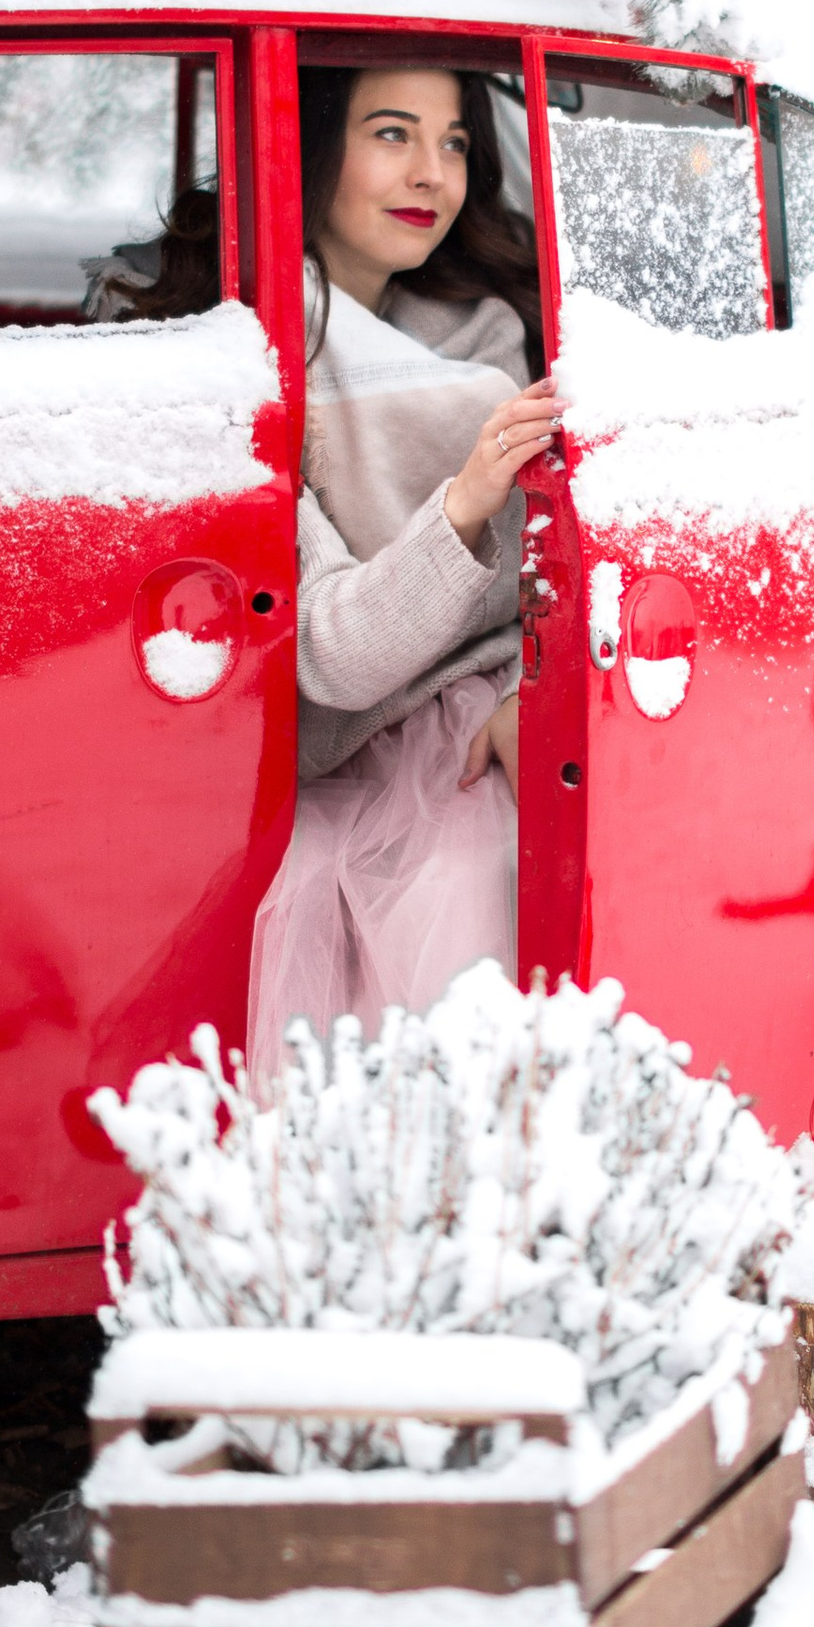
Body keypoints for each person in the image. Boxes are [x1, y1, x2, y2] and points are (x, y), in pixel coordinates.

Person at [226, 65, 554, 1073]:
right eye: (392, 133)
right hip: (363, 773)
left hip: (498, 738)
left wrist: (533, 696)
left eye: (454, 142)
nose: (431, 174)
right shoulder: (257, 359)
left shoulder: (492, 331)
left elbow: (563, 578)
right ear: (310, 145)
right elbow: (333, 656)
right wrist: (462, 505)